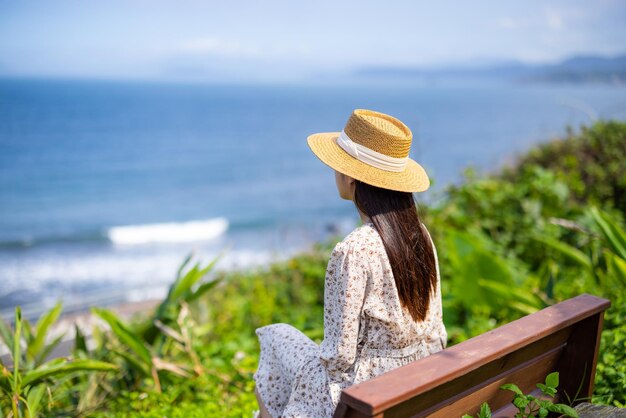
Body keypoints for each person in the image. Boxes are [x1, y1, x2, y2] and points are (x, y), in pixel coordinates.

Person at [253, 109, 447, 418]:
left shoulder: (353, 250)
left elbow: (338, 358)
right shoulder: (420, 235)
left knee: (276, 336)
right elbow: (437, 331)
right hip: (417, 378)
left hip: (365, 395)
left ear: (351, 176)